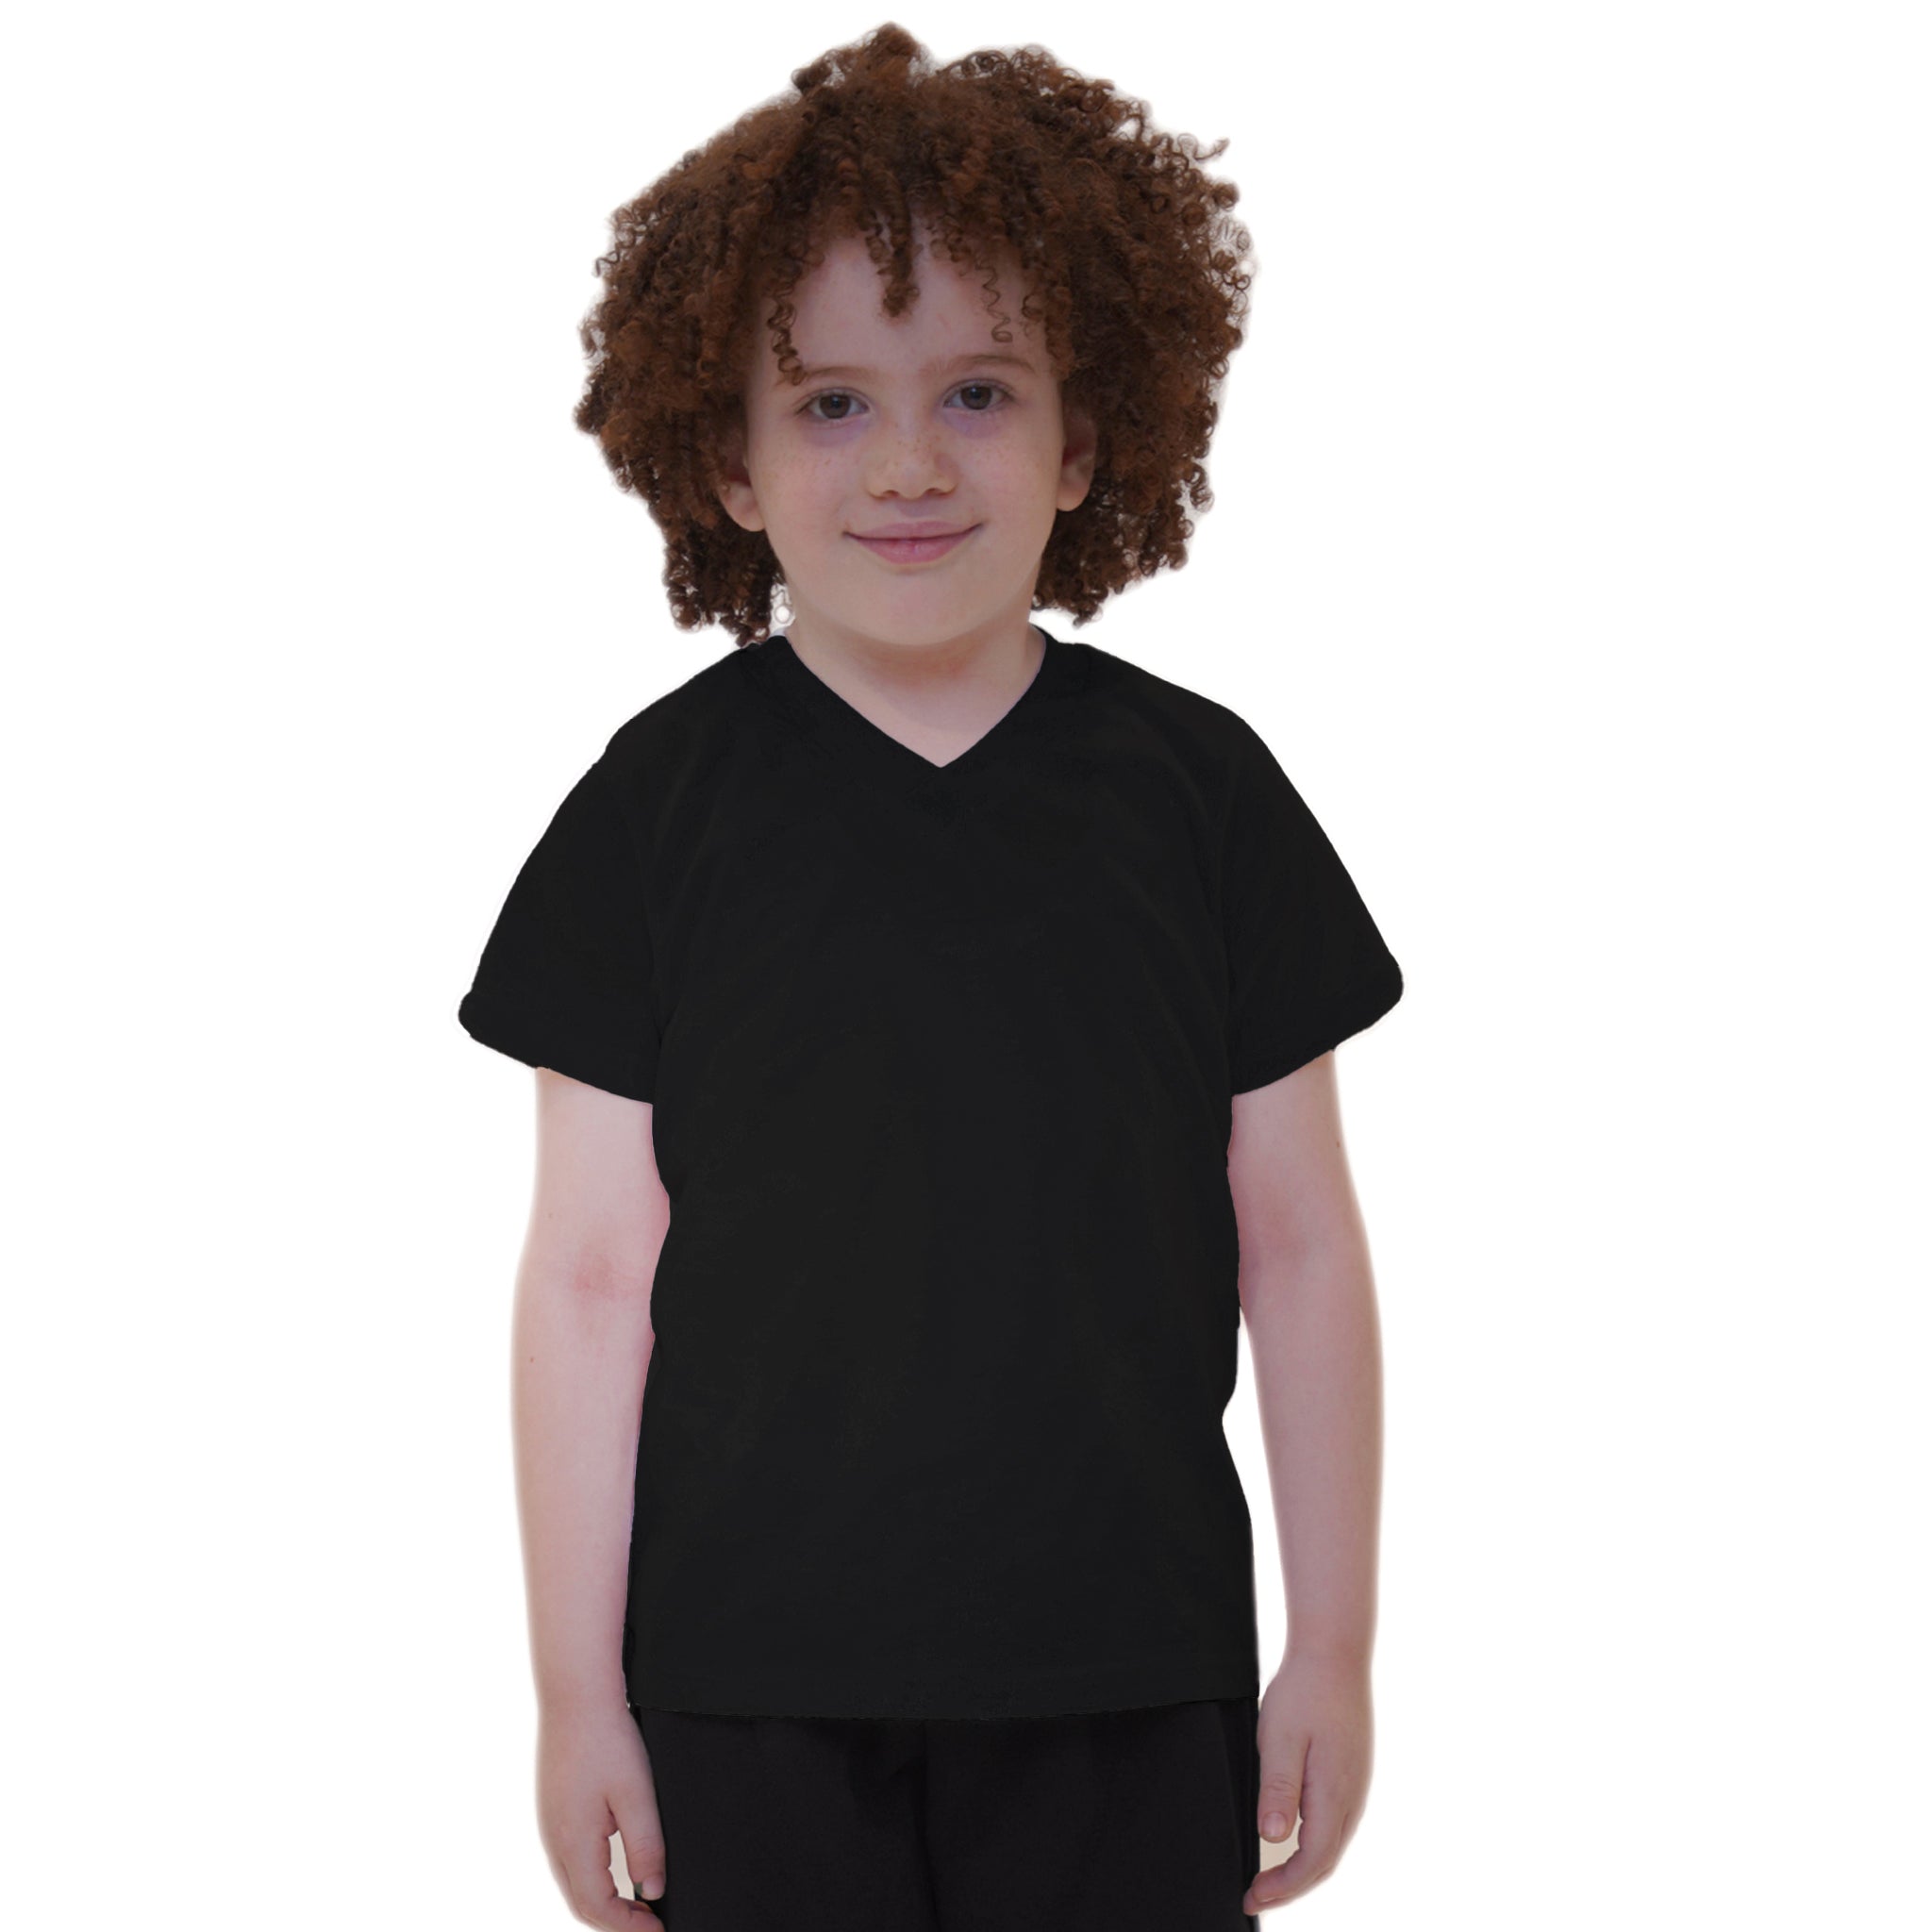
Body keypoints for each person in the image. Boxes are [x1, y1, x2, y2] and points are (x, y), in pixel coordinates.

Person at [457, 22, 1404, 1929]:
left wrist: (1332, 1650)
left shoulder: (1202, 795)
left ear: (1087, 439)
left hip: (1129, 1674)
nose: (906, 461)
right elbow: (590, 1279)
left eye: (978, 391)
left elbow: (1299, 1247)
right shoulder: (652, 810)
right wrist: (574, 1698)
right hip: (743, 1690)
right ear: (726, 459)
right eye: (829, 403)